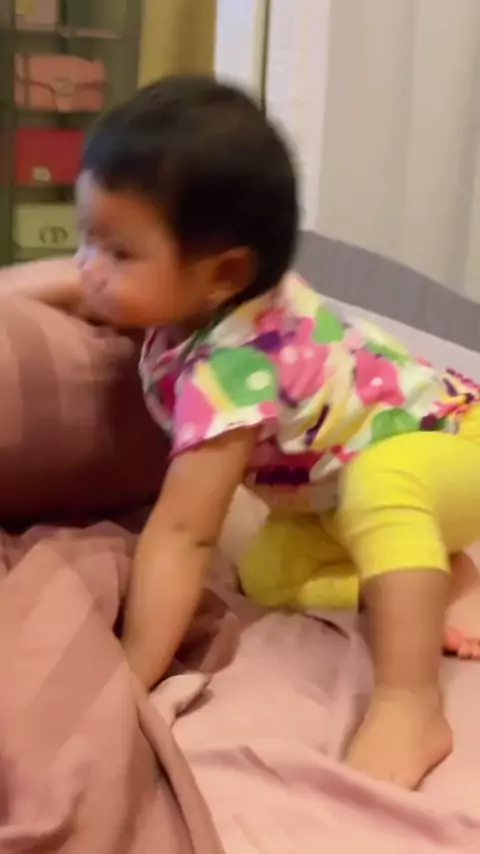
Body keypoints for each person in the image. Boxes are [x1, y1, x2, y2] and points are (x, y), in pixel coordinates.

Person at [3, 75, 480, 792]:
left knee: (385, 484)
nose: (89, 270)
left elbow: (184, 533)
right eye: (86, 239)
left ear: (225, 273)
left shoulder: (235, 370)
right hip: (331, 493)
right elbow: (72, 285)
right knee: (268, 576)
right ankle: (434, 575)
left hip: (452, 444)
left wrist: (131, 676)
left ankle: (409, 703)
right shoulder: (194, 296)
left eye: (118, 254)